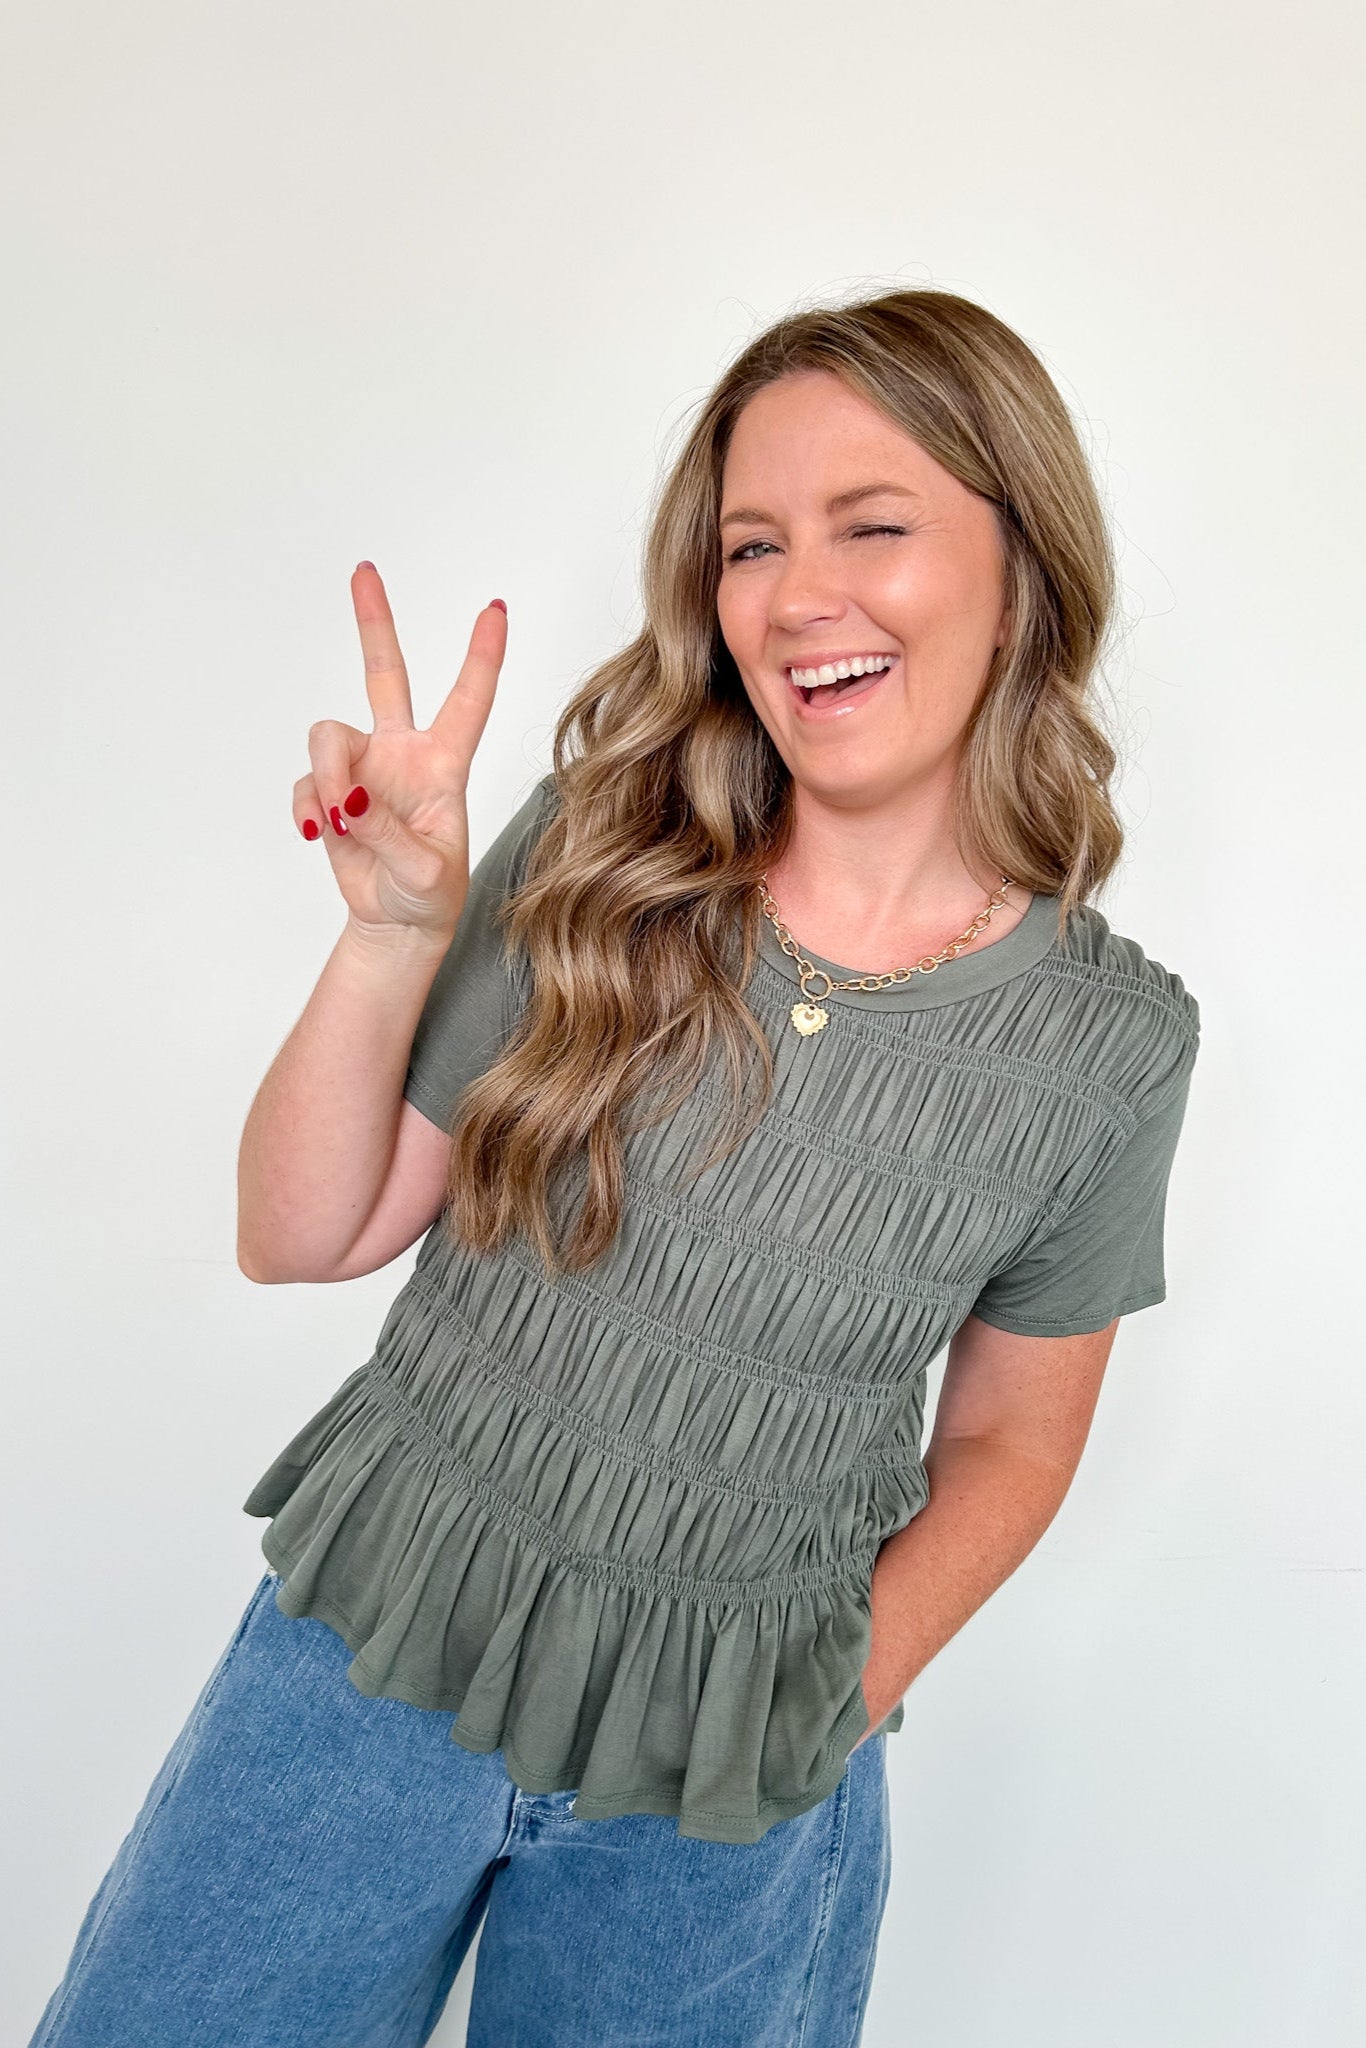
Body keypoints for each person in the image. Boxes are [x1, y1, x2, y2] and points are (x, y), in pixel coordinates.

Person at [29, 287, 1200, 2048]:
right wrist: (393, 941)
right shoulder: (597, 852)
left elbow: (1013, 1438)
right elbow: (303, 1232)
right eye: (749, 544)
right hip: (373, 1660)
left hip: (733, 1781)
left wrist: (830, 1699)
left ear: (1020, 561)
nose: (797, 596)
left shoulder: (1110, 1046)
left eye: (870, 526)